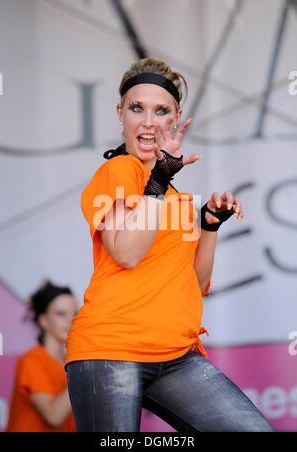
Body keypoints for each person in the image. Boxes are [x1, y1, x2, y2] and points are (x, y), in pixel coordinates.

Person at [65, 58, 274, 432]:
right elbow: (126, 253)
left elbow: (194, 285)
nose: (148, 122)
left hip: (176, 355)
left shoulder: (175, 198)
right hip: (110, 349)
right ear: (120, 113)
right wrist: (159, 180)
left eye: (161, 110)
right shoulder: (117, 171)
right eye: (137, 108)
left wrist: (209, 224)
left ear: (175, 118)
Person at [7, 280, 77, 432]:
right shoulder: (31, 360)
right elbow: (53, 416)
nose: (71, 321)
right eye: (61, 314)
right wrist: (83, 370)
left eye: (75, 314)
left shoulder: (70, 364)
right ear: (43, 320)